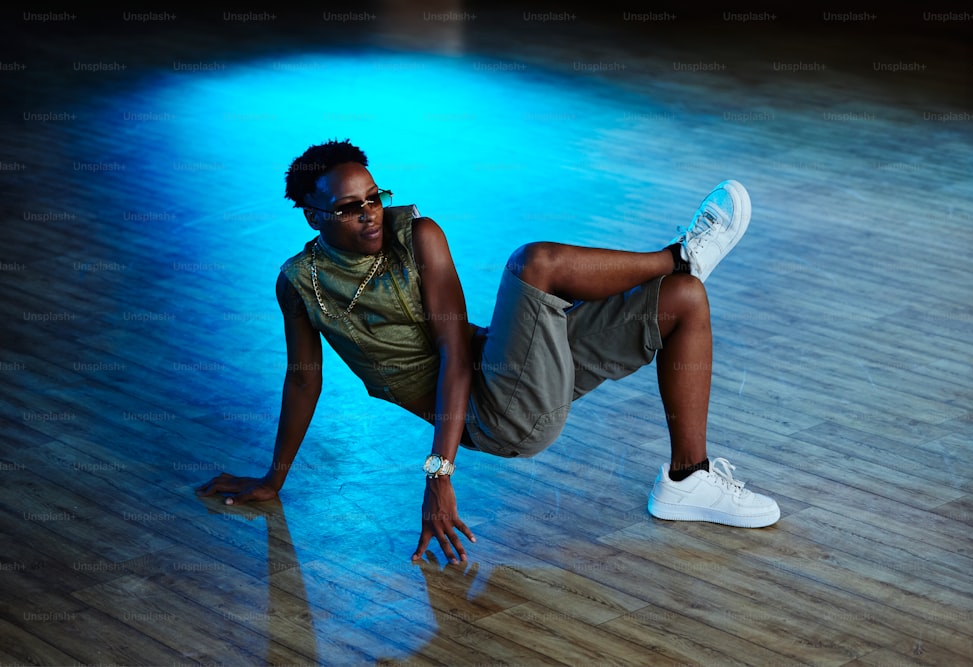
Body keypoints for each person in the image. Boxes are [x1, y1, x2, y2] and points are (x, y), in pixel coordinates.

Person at [197, 139, 780, 565]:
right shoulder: (299, 282)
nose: (369, 212)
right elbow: (304, 381)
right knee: (535, 264)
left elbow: (455, 349)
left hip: (510, 369)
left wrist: (438, 472)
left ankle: (687, 479)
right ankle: (681, 252)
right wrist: (276, 478)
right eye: (350, 208)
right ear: (312, 213)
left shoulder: (417, 236)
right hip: (497, 415)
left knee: (682, 298)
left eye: (373, 198)